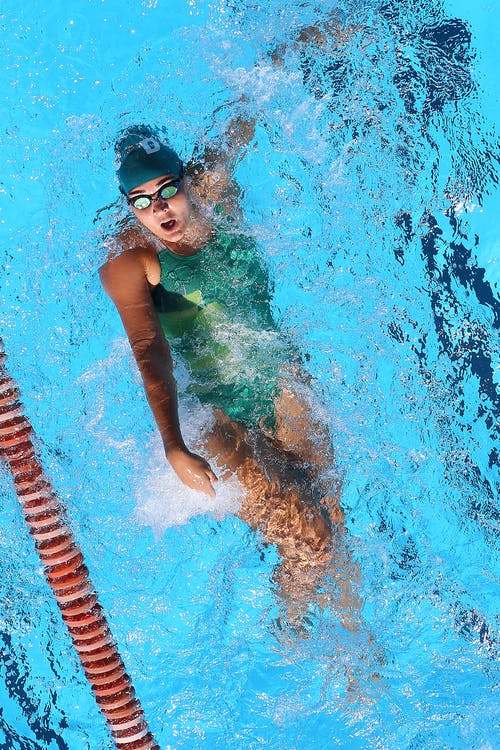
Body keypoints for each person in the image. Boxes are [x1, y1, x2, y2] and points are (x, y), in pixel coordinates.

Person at [99, 117, 358, 627]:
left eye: (167, 190)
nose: (160, 209)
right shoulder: (132, 261)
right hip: (218, 417)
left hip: (281, 383)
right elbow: (149, 348)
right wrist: (174, 443)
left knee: (332, 516)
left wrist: (320, 38)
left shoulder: (216, 192)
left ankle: (336, 631)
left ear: (187, 179)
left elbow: (251, 99)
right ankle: (291, 625)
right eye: (142, 202)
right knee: (314, 543)